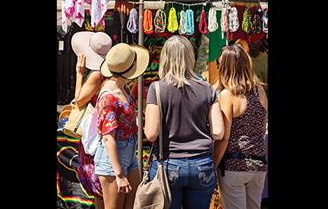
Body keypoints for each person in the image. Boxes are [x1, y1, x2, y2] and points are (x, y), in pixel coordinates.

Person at [144, 35, 225, 209]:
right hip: (202, 164)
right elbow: (218, 131)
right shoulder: (208, 89)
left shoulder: (157, 88)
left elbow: (151, 134)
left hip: (168, 163)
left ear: (165, 57)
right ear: (191, 57)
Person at [94, 43, 150, 209]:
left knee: (133, 204)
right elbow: (108, 138)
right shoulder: (109, 97)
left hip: (128, 153)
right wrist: (119, 174)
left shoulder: (123, 88)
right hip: (112, 159)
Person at [214, 45, 268, 209]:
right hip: (258, 165)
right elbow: (261, 127)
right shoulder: (260, 91)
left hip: (233, 164)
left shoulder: (228, 95)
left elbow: (224, 137)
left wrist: (213, 164)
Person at [73, 31, 113, 209]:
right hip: (105, 133)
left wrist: (80, 73)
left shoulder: (96, 75)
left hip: (95, 136)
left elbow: (79, 101)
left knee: (99, 191)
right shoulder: (111, 73)